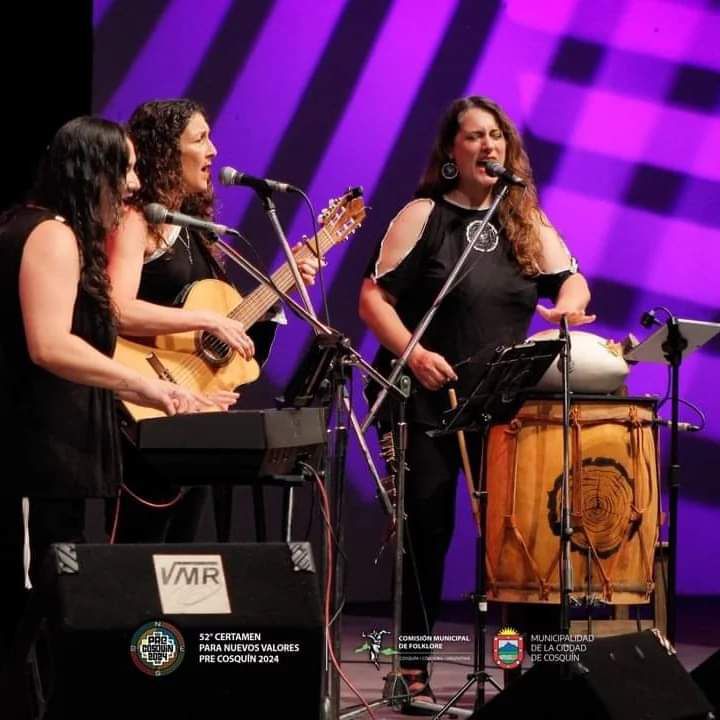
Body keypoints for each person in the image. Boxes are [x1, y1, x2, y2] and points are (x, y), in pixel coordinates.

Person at [358, 96, 594, 706]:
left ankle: (539, 669)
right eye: (473, 136)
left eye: (496, 135)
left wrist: (568, 304)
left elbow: (571, 278)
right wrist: (414, 354)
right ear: (451, 152)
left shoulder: (523, 219)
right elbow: (372, 298)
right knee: (426, 531)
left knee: (520, 534)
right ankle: (410, 671)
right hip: (425, 398)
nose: (488, 145)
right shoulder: (425, 215)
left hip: (502, 403)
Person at [0, 117, 211, 678]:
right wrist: (142, 384)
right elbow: (49, 344)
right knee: (37, 603)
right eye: (127, 169)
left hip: (55, 454)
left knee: (56, 593)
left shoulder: (56, 232)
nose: (136, 184)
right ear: (94, 171)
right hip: (35, 452)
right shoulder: (50, 234)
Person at [106, 98, 318, 543]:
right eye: (200, 139)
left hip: (191, 411)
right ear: (167, 151)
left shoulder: (195, 230)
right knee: (138, 548)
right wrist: (207, 320)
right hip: (141, 407)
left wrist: (281, 286)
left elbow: (221, 330)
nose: (214, 151)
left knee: (183, 553)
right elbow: (117, 309)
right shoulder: (135, 220)